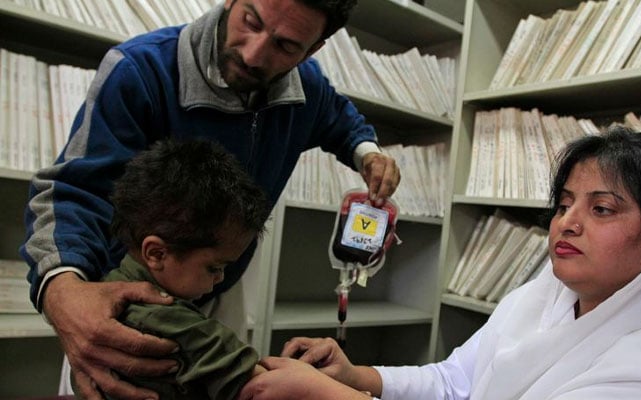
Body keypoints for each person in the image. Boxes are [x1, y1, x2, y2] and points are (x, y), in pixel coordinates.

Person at [21, 0, 400, 399]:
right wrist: (62, 293)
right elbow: (73, 191)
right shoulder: (139, 70)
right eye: (250, 21)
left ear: (312, 50)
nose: (253, 54)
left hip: (216, 287)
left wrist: (365, 151)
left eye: (286, 46)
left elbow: (338, 115)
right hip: (119, 304)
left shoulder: (307, 83)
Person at [237, 126, 641, 400]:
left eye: (601, 209)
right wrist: (357, 377)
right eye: (563, 205)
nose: (566, 224)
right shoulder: (540, 297)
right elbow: (457, 381)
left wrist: (329, 395)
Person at [70, 138, 269, 399]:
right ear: (157, 253)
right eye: (214, 267)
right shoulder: (183, 328)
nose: (220, 279)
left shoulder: (105, 290)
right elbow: (262, 385)